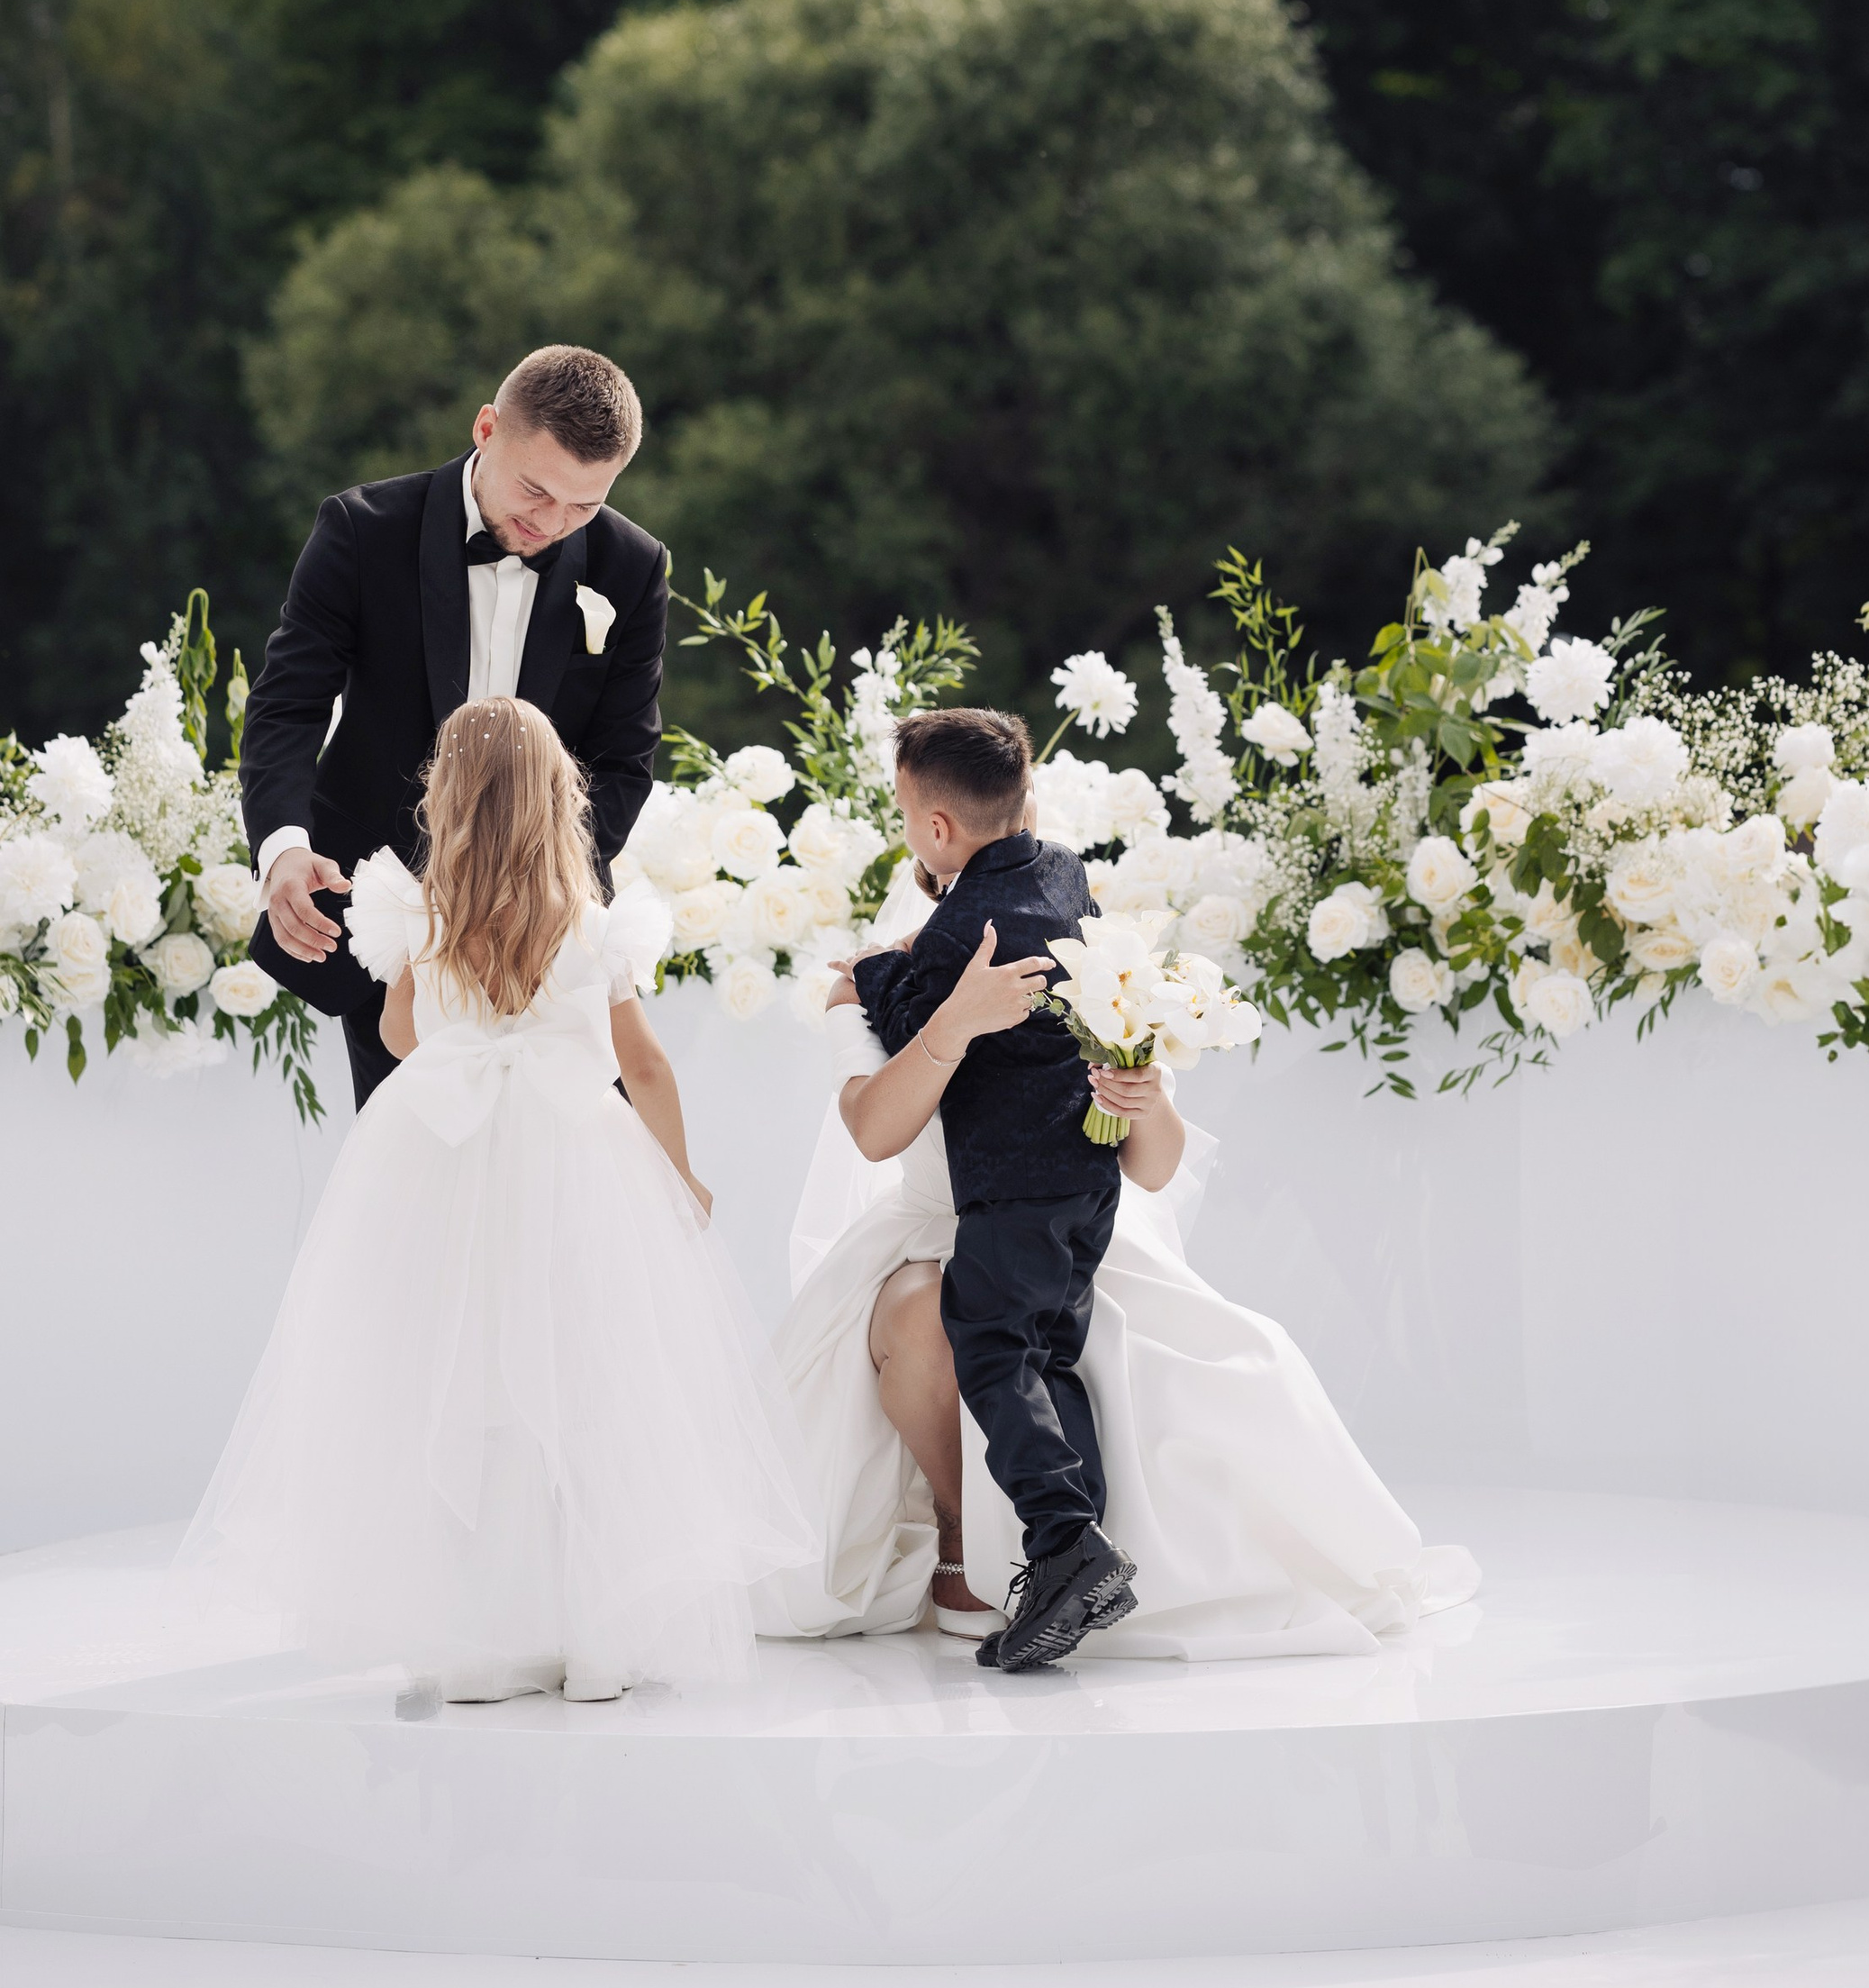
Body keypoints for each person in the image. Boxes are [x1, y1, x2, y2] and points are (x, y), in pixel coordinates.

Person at [754, 773, 1481, 1666]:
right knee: (925, 1312)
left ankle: (1068, 1560)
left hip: (1071, 1227)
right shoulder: (869, 989)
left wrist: (1140, 1099)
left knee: (1190, 1350)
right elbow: (874, 1129)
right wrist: (949, 1019)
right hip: (939, 1225)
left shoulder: (1084, 970)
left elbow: (1155, 1167)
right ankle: (964, 1538)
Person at [183, 696, 815, 1700]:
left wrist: (467, 1037)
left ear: (448, 796)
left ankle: (478, 1641)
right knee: (591, 1384)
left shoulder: (417, 915)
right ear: (559, 794)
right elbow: (642, 1067)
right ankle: (596, 1645)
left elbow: (399, 1038)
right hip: (579, 1159)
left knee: (463, 1389)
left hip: (443, 1158)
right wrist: (680, 1173)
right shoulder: (592, 920)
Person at [240, 344, 669, 1109]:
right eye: (536, 491)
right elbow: (289, 703)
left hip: (548, 940)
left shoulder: (633, 566)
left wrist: (540, 897)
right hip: (384, 922)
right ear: (485, 428)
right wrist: (282, 848)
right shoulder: (361, 529)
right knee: (417, 1189)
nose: (553, 523)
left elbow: (625, 756)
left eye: (584, 505)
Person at [848, 708, 1137, 1672]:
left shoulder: (958, 927)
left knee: (994, 1353)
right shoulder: (1063, 874)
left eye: (903, 813)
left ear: (937, 829)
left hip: (1010, 1191)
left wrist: (874, 972)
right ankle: (1076, 1562)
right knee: (1049, 1359)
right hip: (1088, 1180)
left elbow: (910, 1025)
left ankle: (1061, 1543)